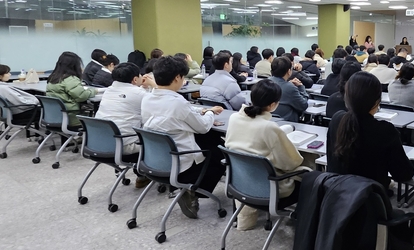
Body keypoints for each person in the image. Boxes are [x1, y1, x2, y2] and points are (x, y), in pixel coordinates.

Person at [141, 56, 226, 219]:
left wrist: (197, 111)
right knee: (219, 154)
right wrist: (208, 112)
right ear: (177, 78)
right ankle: (192, 191)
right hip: (181, 165)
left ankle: (188, 190)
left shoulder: (147, 98)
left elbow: (176, 113)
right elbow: (201, 127)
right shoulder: (177, 102)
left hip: (155, 160)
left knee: (207, 141)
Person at [224, 79, 307, 230]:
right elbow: (291, 163)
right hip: (270, 189)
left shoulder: (234, 118)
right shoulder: (269, 128)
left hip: (240, 183)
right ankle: (303, 224)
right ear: (272, 105)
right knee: (309, 173)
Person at [327, 71, 414, 189]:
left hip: (335, 197)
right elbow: (403, 174)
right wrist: (413, 163)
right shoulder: (385, 131)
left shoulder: (337, 119)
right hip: (369, 201)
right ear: (377, 101)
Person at [95, 62, 156, 188]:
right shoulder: (139, 94)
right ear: (135, 79)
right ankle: (149, 176)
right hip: (124, 146)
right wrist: (153, 85)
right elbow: (160, 103)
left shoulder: (109, 90)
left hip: (98, 143)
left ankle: (141, 175)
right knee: (164, 141)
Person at [47, 52, 103, 128]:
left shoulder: (53, 77)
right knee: (98, 118)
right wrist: (94, 91)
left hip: (55, 116)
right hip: (72, 118)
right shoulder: (70, 79)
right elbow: (82, 96)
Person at [269, 57, 308, 122]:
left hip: (269, 121)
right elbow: (303, 105)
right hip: (287, 123)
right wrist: (301, 87)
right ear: (289, 71)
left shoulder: (264, 83)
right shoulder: (290, 88)